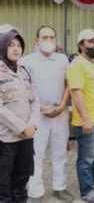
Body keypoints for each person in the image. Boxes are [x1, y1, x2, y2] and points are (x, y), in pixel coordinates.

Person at [22, 26, 73, 203]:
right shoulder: (26, 61)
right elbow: (24, 88)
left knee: (60, 153)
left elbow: (69, 84)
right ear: (37, 40)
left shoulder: (62, 59)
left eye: (52, 37)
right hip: (37, 115)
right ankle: (35, 192)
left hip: (60, 113)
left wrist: (63, 105)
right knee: (36, 154)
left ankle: (60, 187)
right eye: (45, 37)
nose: (49, 41)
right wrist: (42, 108)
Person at [67, 29, 94, 203]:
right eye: (90, 41)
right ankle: (86, 191)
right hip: (87, 121)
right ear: (81, 45)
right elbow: (76, 94)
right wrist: (85, 119)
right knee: (86, 158)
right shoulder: (76, 65)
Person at [0, 25, 39, 203]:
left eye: (19, 45)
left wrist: (32, 125)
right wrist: (21, 127)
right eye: (11, 45)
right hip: (6, 139)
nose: (16, 48)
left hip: (26, 138)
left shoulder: (24, 71)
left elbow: (35, 101)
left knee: (21, 183)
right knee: (4, 187)